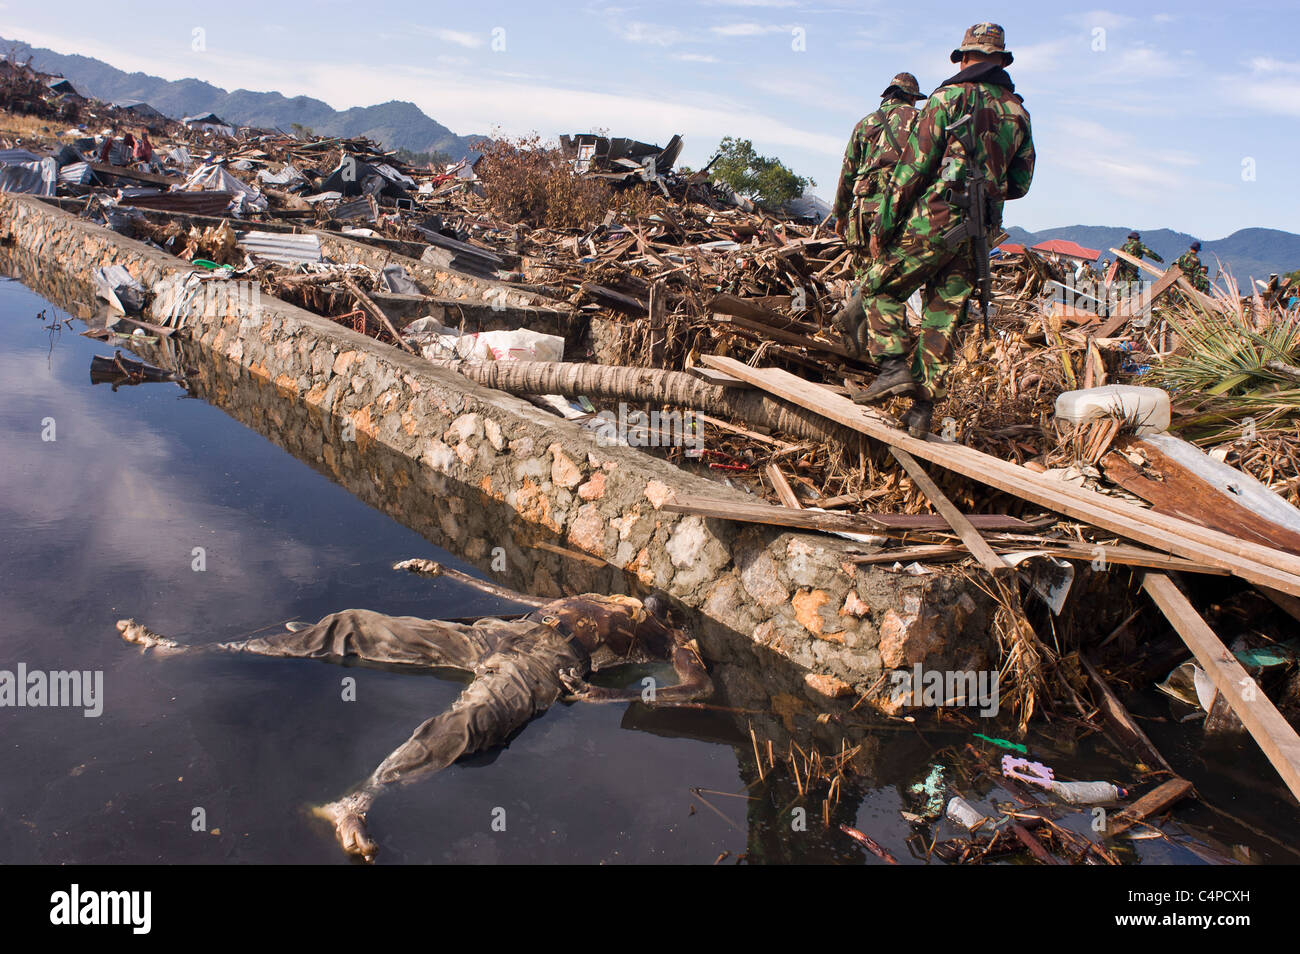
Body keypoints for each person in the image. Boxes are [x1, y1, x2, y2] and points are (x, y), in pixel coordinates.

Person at [116, 569, 712, 862]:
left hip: (548, 666)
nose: (649, 595)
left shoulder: (666, 635)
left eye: (659, 597)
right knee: (354, 624)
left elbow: (699, 688)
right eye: (649, 591)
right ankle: (192, 648)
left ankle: (358, 801)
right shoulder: (603, 593)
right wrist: (446, 575)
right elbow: (525, 604)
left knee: (472, 724)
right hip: (499, 635)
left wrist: (621, 698)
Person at [855, 22, 1035, 437]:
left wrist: (884, 221)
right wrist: (987, 185)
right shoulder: (1018, 113)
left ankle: (893, 368)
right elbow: (1021, 185)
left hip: (933, 221)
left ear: (966, 57)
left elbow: (912, 169)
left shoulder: (947, 98)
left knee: (878, 288)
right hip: (979, 234)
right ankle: (920, 414)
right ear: (1000, 60)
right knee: (942, 319)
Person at [831, 72, 927, 357]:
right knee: (889, 281)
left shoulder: (865, 123)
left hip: (861, 212)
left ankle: (858, 349)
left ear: (888, 94)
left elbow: (847, 172)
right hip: (898, 212)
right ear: (911, 97)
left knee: (865, 276)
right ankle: (880, 355)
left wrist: (840, 214)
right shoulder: (921, 121)